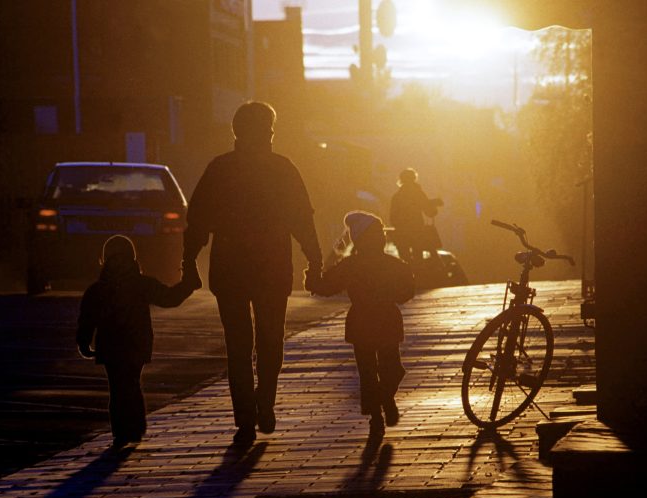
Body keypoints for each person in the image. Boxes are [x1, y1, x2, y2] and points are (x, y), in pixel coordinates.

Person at [182, 101, 323, 447]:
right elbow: (302, 217)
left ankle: (245, 418)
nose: (272, 135)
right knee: (271, 339)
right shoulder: (282, 169)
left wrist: (189, 262)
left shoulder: (220, 169)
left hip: (229, 269)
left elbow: (197, 218)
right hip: (272, 268)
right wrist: (314, 258)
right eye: (269, 129)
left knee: (238, 346)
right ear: (262, 132)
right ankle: (265, 402)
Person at [76, 234, 199, 450]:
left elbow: (87, 318)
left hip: (112, 346)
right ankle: (133, 427)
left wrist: (84, 342)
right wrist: (188, 285)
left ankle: (123, 431)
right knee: (130, 383)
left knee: (118, 387)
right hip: (136, 344)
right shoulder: (141, 284)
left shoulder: (98, 290)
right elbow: (169, 298)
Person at [305, 210, 415, 437]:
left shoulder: (351, 264)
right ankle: (382, 405)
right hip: (386, 321)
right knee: (391, 368)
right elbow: (406, 292)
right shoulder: (390, 264)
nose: (383, 237)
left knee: (368, 372)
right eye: (379, 233)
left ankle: (377, 409)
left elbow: (327, 287)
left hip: (361, 322)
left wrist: (313, 279)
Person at [389, 167, 442, 265]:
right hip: (417, 232)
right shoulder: (417, 193)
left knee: (404, 262)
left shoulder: (396, 196)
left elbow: (393, 218)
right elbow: (429, 212)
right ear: (414, 178)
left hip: (402, 235)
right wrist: (434, 205)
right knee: (418, 260)